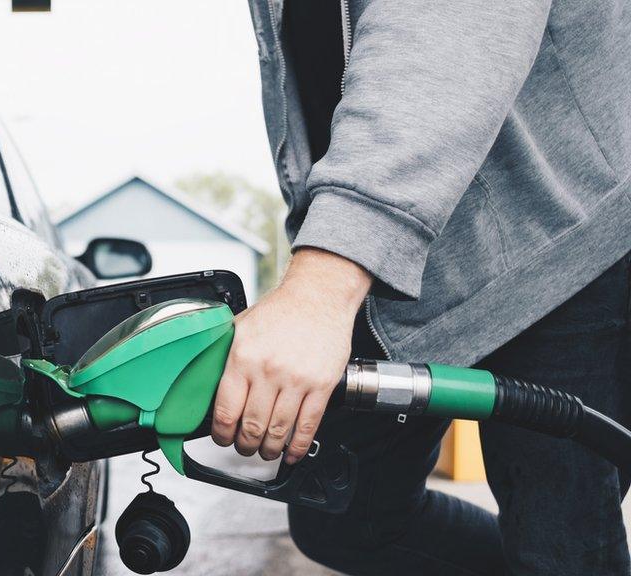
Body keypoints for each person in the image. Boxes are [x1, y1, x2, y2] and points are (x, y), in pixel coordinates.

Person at [212, 1, 631, 574]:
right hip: (403, 264)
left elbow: (451, 25)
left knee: (557, 545)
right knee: (341, 516)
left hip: (561, 241)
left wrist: (322, 286)